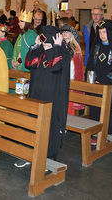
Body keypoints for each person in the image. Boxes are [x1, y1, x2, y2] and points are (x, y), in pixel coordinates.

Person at [15, 26, 71, 167]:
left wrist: (56, 47)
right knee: (32, 126)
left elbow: (55, 66)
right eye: (44, 43)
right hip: (36, 96)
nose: (46, 46)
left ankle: (48, 158)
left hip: (52, 100)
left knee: (50, 128)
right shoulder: (40, 51)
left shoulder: (62, 53)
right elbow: (28, 63)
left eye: (48, 43)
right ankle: (29, 154)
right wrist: (35, 46)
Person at [86, 20, 112, 136]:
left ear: (110, 34)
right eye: (100, 32)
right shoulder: (96, 47)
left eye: (104, 32)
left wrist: (102, 81)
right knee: (95, 109)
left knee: (107, 111)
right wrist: (91, 79)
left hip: (109, 85)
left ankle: (108, 134)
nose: (102, 35)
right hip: (95, 84)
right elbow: (90, 64)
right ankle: (95, 133)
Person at [60, 24, 85, 114]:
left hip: (70, 78)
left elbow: (77, 68)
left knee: (68, 105)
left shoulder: (75, 48)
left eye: (67, 32)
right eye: (63, 32)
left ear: (72, 34)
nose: (65, 33)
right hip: (60, 78)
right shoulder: (59, 46)